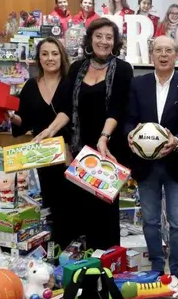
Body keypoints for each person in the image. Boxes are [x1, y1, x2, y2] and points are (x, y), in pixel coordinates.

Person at [38, 18, 132, 250]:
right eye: (99, 36)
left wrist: (103, 137)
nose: (103, 41)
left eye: (109, 37)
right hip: (78, 151)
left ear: (115, 42)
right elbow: (66, 109)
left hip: (107, 150)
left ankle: (105, 264)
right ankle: (77, 265)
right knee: (76, 211)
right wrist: (49, 130)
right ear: (90, 39)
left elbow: (117, 108)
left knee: (104, 216)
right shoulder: (77, 68)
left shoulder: (123, 69)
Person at [124, 36, 178, 274]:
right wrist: (130, 134)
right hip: (145, 164)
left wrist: (176, 141)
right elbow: (128, 119)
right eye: (158, 50)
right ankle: (157, 264)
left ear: (176, 55)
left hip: (177, 162)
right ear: (152, 55)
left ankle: (176, 267)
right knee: (150, 220)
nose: (163, 55)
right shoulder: (138, 84)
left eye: (168, 50)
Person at [9, 37, 71, 237]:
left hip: (70, 156)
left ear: (61, 56)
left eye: (54, 53)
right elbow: (23, 121)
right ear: (38, 58)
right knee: (47, 207)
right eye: (44, 54)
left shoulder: (70, 82)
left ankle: (71, 247)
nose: (50, 58)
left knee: (70, 207)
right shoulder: (30, 86)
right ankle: (52, 247)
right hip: (42, 157)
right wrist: (11, 117)